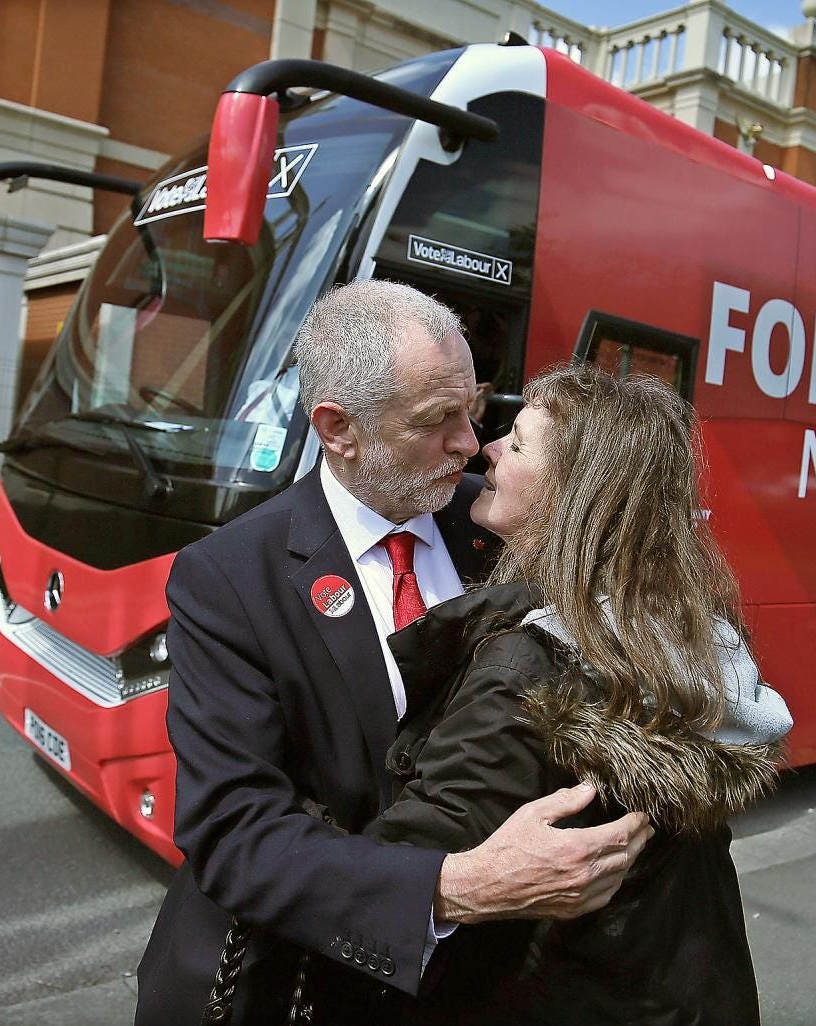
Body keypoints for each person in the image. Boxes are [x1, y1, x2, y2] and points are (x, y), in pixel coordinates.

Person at [134, 281, 652, 1025]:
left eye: (473, 410)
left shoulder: (499, 523)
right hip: (297, 984)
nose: (471, 443)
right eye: (438, 420)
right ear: (338, 428)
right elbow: (234, 832)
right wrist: (457, 885)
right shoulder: (229, 577)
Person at [364, 363, 793, 1024]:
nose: (488, 447)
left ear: (572, 494)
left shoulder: (533, 665)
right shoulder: (681, 637)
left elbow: (396, 880)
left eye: (520, 443)